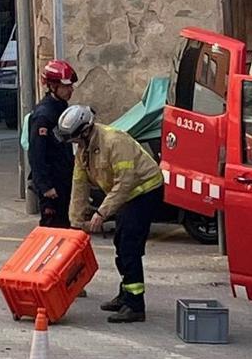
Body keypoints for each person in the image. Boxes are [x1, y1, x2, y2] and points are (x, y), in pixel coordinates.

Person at [55, 102, 164, 323]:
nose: (72, 143)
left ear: (85, 130)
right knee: (121, 243)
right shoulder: (84, 149)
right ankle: (125, 295)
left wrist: (101, 213)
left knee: (129, 247)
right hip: (125, 196)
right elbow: (79, 184)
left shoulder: (115, 142)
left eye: (74, 137)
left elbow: (125, 184)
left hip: (144, 192)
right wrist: (75, 222)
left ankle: (135, 305)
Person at [26, 59, 78, 226]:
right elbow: (36, 154)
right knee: (52, 227)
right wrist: (45, 186)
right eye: (66, 86)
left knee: (63, 225)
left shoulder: (61, 107)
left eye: (70, 86)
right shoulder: (44, 115)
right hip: (51, 184)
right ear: (53, 86)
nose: (70, 90)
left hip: (63, 177)